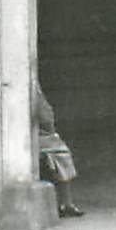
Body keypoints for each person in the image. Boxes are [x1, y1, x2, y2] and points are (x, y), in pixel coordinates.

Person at [33, 78, 84, 217]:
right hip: (36, 137)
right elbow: (45, 116)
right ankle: (65, 203)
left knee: (60, 153)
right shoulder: (31, 87)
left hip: (36, 135)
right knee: (62, 154)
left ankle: (65, 203)